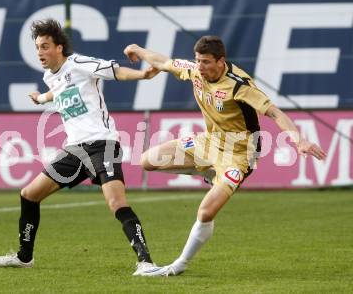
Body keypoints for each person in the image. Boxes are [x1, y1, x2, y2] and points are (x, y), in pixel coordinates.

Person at [123, 36, 327, 276]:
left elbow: (274, 112)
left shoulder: (240, 85)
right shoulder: (194, 71)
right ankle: (210, 173)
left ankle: (178, 265)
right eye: (198, 60)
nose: (200, 66)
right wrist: (137, 48)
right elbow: (164, 62)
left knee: (206, 212)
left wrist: (298, 140)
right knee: (148, 160)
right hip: (209, 143)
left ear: (221, 61)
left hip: (239, 154)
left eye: (206, 62)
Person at [0, 18, 161, 276]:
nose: (40, 53)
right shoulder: (50, 76)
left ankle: (146, 263)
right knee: (29, 194)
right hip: (75, 151)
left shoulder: (79, 63)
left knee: (116, 203)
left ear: (59, 47)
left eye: (45, 46)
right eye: (37, 47)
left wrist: (143, 75)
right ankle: (24, 257)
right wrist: (40, 98)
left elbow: (114, 70)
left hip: (102, 144)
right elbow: (56, 92)